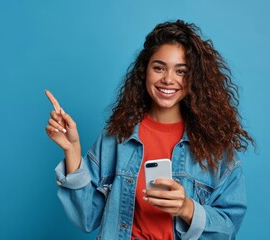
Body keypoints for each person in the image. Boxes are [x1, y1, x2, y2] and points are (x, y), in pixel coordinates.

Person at [45, 20, 254, 240]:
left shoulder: (215, 147)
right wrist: (72, 151)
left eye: (181, 71)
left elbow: (228, 228)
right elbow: (86, 218)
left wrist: (186, 208)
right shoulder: (117, 136)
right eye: (159, 67)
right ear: (145, 71)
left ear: (194, 79)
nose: (168, 79)